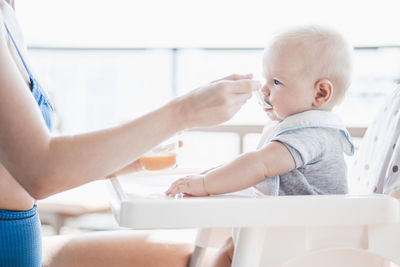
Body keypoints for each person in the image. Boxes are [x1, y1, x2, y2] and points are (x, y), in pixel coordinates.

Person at [0, 1, 261, 266]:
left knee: (211, 253)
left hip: (24, 246)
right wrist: (185, 111)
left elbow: (15, 168)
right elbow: (40, 171)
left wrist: (128, 157)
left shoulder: (8, 11)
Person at [166, 25, 355, 266]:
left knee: (234, 250)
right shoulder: (301, 127)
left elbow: (259, 164)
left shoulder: (312, 133)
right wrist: (214, 175)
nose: (264, 90)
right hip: (290, 226)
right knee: (231, 246)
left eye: (276, 82)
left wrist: (206, 184)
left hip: (309, 236)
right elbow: (257, 161)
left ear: (320, 93)